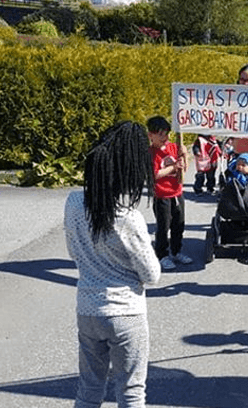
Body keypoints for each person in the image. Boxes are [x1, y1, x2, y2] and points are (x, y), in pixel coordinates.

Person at [64, 121, 161, 408]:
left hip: (87, 310)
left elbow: (74, 253)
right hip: (126, 314)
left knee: (89, 390)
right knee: (131, 392)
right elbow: (152, 274)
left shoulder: (73, 202)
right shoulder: (128, 217)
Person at [146, 115, 191, 271]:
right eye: (160, 135)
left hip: (177, 193)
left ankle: (176, 251)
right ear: (150, 135)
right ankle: (162, 255)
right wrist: (173, 167)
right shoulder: (151, 153)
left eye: (166, 134)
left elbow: (184, 168)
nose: (164, 138)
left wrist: (185, 156)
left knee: (179, 224)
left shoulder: (174, 147)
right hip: (162, 195)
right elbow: (155, 174)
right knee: (163, 226)